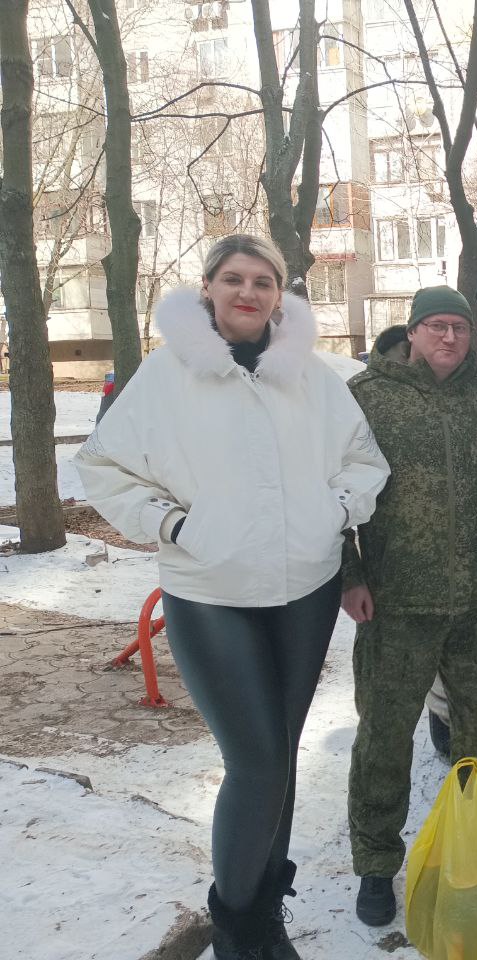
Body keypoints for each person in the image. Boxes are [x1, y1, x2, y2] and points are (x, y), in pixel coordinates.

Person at [74, 234, 390, 960]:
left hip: (303, 590)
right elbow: (104, 467)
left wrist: (334, 512)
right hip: (210, 589)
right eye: (234, 280)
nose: (249, 293)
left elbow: (362, 462)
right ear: (208, 288)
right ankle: (237, 931)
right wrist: (173, 523)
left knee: (278, 755)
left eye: (264, 282)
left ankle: (265, 915)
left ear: (281, 295)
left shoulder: (309, 377)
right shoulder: (165, 376)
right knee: (256, 762)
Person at [341, 285, 477, 928]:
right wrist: (350, 574)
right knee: (384, 736)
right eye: (437, 326)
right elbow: (327, 490)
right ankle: (377, 866)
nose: (450, 338)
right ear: (413, 332)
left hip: (473, 605)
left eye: (460, 328)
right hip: (395, 604)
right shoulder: (366, 400)